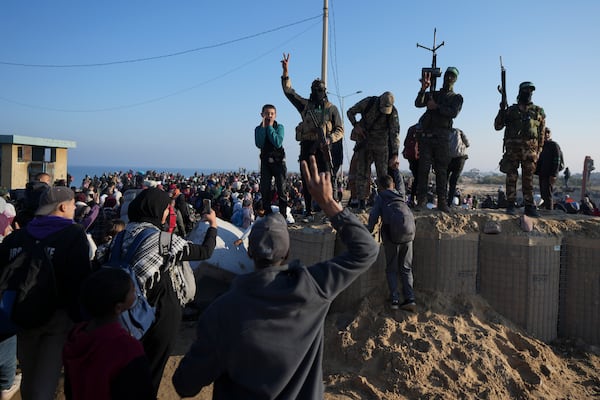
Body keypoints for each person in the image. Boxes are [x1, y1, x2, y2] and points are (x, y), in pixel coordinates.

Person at [172, 155, 379, 399]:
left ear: (249, 251)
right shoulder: (313, 288)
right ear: (289, 252)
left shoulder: (221, 312)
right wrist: (328, 203)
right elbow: (366, 250)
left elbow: (185, 385)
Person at [97, 187, 218, 397]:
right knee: (149, 376)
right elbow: (204, 251)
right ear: (159, 211)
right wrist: (213, 226)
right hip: (156, 316)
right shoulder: (163, 240)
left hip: (120, 314)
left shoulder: (120, 235)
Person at [0, 186, 92, 400]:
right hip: (57, 318)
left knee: (29, 376)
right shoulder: (73, 234)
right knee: (46, 382)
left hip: (22, 315)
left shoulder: (18, 237)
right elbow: (80, 278)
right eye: (72, 206)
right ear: (63, 206)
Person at [62, 268, 154, 400]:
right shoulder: (127, 348)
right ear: (118, 307)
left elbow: (69, 388)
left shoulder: (76, 336)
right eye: (133, 290)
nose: (136, 291)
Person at [280, 53, 344, 219]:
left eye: (320, 90)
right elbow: (289, 92)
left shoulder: (332, 109)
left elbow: (340, 129)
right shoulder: (305, 106)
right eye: (315, 90)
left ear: (325, 91)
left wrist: (330, 139)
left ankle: (328, 210)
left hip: (324, 147)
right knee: (307, 180)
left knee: (327, 179)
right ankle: (308, 210)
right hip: (307, 146)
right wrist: (286, 72)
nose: (318, 93)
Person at [414, 67, 463, 212]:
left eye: (452, 76)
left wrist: (437, 107)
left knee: (442, 171)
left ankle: (442, 202)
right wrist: (423, 89)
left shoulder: (456, 98)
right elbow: (418, 103)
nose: (449, 79)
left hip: (442, 137)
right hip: (427, 136)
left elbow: (453, 112)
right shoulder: (434, 93)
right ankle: (421, 201)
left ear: (455, 80)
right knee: (423, 170)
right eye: (447, 75)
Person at [495, 81, 546, 217]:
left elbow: (541, 133)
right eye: (525, 91)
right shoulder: (511, 110)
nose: (528, 93)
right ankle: (510, 204)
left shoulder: (538, 111)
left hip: (530, 151)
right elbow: (498, 125)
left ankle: (529, 206)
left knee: (528, 179)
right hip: (512, 150)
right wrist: (501, 109)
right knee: (511, 177)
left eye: (530, 91)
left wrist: (539, 150)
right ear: (520, 92)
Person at [367, 175, 416, 311]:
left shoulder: (381, 197)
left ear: (380, 187)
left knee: (392, 268)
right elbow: (400, 181)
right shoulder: (401, 195)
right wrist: (396, 170)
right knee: (406, 268)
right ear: (392, 185)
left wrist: (368, 231)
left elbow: (374, 217)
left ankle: (394, 300)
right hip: (409, 234)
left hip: (392, 236)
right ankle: (410, 299)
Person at [347, 92, 400, 212]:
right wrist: (356, 125)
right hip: (365, 143)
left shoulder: (393, 112)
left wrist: (395, 154)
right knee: (362, 173)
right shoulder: (368, 103)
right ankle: (361, 203)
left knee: (383, 176)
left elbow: (394, 133)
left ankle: (384, 203)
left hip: (382, 146)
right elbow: (350, 112)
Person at [255, 104, 289, 219]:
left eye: (272, 114)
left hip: (278, 162)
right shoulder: (258, 129)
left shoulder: (279, 127)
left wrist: (270, 127)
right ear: (262, 115)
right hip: (265, 162)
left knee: (281, 189)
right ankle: (267, 214)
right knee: (265, 188)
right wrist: (264, 128)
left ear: (275, 115)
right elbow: (259, 143)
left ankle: (283, 215)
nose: (269, 116)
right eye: (267, 113)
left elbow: (277, 142)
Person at [534, 127, 564, 210]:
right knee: (543, 194)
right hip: (542, 174)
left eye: (548, 132)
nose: (546, 134)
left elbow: (557, 160)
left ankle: (549, 211)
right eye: (544, 133)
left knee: (548, 195)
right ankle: (545, 210)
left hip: (549, 174)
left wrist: (554, 174)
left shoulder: (553, 145)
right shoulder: (541, 146)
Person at [447, 128, 470, 207]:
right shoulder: (459, 131)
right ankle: (449, 202)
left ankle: (443, 202)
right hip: (460, 159)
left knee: (444, 181)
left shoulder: (442, 132)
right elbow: (468, 144)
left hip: (447, 159)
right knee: (453, 182)